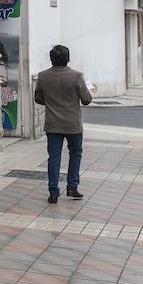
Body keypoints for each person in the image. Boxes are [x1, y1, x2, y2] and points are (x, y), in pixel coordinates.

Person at [34, 44, 92, 204]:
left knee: (53, 158)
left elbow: (38, 98)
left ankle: (53, 191)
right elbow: (86, 100)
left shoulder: (43, 76)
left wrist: (52, 102)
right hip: (73, 124)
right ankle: (72, 186)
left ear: (51, 59)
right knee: (75, 153)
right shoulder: (77, 76)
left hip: (52, 124)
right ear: (68, 58)